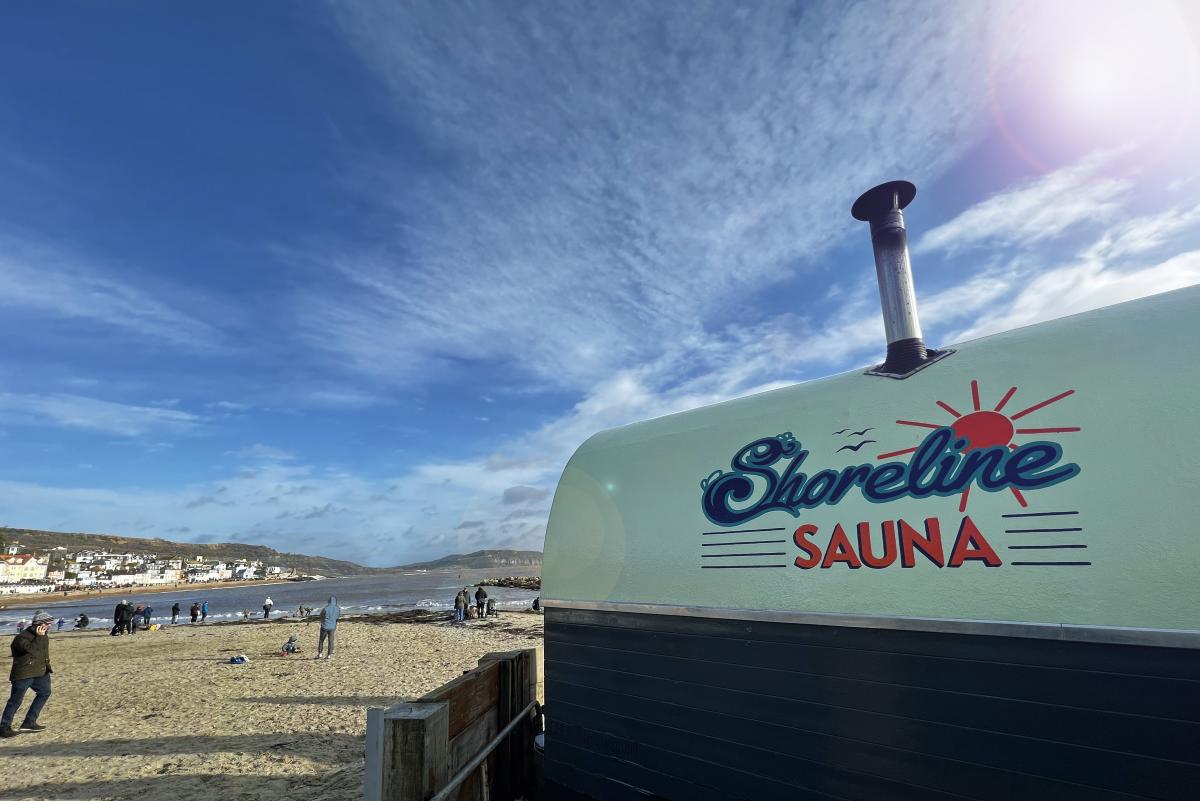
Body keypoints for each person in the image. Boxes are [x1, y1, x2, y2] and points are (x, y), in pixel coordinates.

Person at [1, 611, 55, 738]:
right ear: (39, 624)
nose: (49, 626)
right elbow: (32, 651)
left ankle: (29, 722)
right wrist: (39, 637)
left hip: (40, 672)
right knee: (15, 701)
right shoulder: (21, 638)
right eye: (47, 624)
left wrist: (47, 667)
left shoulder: (44, 635)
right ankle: (4, 727)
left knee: (45, 692)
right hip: (23, 673)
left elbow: (43, 653)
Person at [316, 596, 339, 661]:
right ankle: (329, 655)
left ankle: (320, 653)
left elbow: (321, 616)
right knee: (330, 641)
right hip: (332, 626)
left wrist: (323, 621)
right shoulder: (337, 608)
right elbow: (337, 617)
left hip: (325, 626)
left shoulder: (325, 608)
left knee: (321, 640)